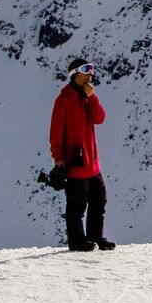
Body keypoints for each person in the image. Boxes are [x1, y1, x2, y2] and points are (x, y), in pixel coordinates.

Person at [50, 58, 115, 252]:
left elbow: (100, 118)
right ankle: (77, 241)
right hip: (76, 164)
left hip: (92, 164)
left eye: (91, 71)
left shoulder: (88, 98)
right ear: (75, 74)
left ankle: (95, 236)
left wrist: (93, 98)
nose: (90, 75)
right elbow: (56, 132)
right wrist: (58, 158)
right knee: (76, 206)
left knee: (99, 200)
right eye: (86, 71)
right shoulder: (64, 100)